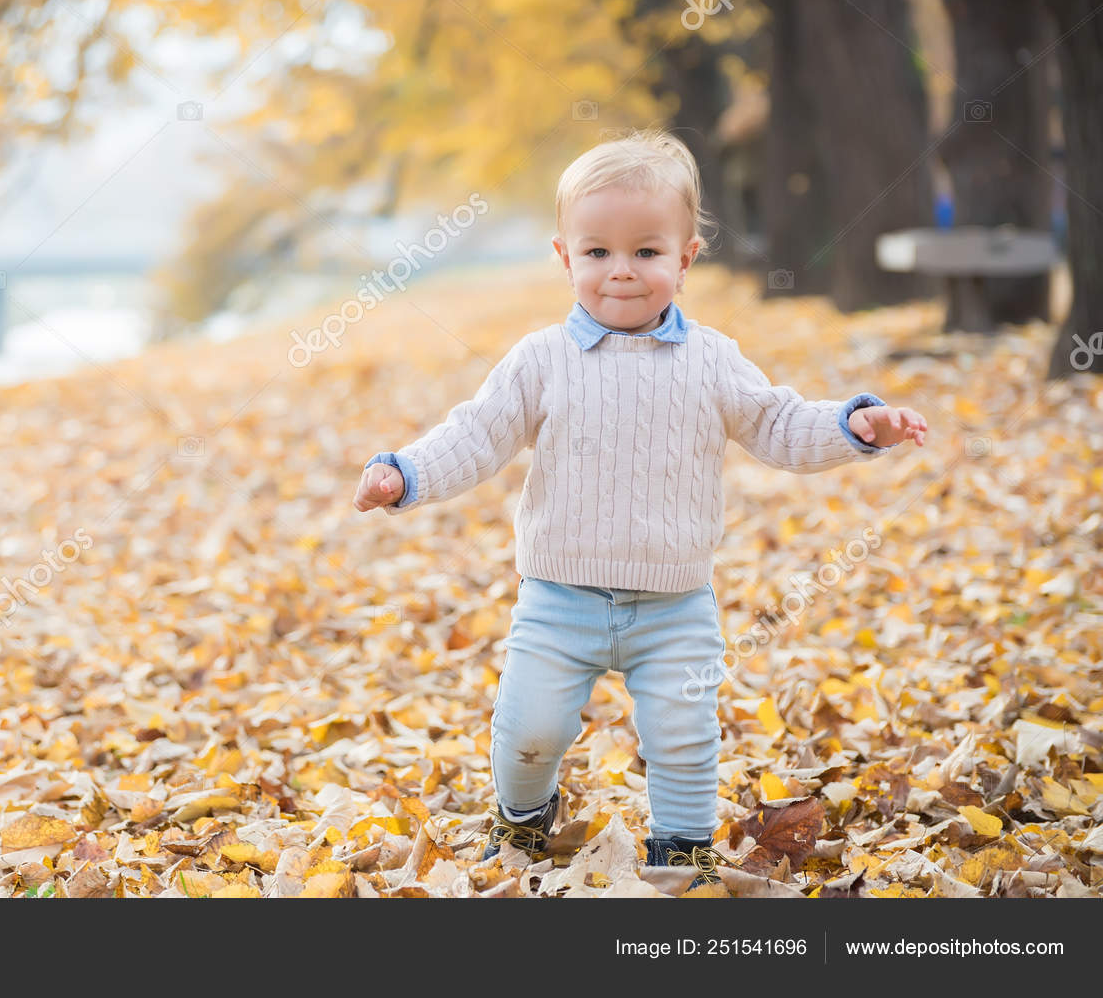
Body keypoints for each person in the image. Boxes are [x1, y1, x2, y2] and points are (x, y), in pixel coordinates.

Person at [353, 128, 928, 888]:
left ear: (685, 259)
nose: (620, 272)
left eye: (646, 252)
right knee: (531, 731)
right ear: (565, 258)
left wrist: (850, 426)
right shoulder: (540, 361)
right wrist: (406, 472)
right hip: (559, 599)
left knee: (684, 737)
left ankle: (681, 853)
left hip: (675, 605)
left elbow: (776, 423)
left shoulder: (713, 360)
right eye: (597, 253)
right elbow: (477, 435)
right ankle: (522, 819)